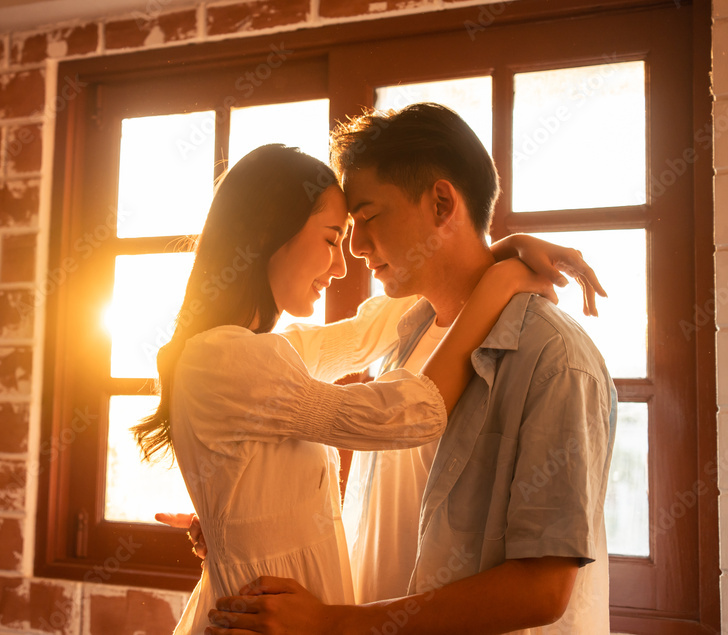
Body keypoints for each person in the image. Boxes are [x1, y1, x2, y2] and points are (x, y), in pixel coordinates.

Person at [133, 143, 601, 635]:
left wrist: (496, 252)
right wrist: (501, 280)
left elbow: (365, 333)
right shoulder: (229, 358)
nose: (342, 266)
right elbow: (407, 414)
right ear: (269, 231)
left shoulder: (264, 351)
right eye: (333, 238)